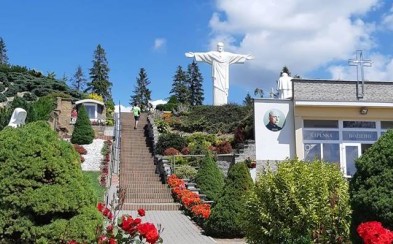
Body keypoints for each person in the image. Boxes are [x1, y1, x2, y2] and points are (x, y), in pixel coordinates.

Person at [185, 42, 254, 106]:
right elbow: (204, 55)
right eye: (219, 46)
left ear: (223, 47)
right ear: (217, 47)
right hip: (217, 77)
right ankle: (217, 104)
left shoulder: (227, 55)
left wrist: (245, 57)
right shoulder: (213, 54)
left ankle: (224, 105)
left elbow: (236, 56)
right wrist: (194, 55)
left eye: (221, 46)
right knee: (216, 88)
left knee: (224, 90)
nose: (220, 47)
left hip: (224, 76)